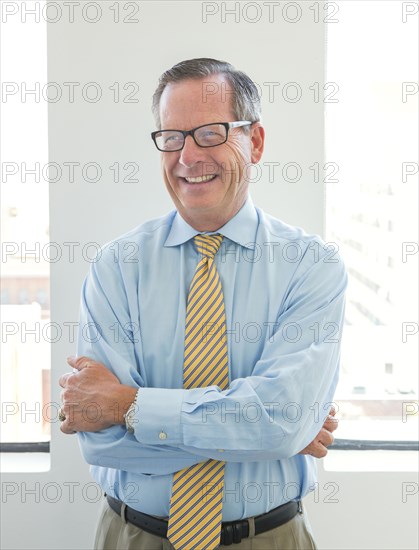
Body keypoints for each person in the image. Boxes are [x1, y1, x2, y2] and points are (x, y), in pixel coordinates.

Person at [59, 58, 347, 550]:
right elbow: (102, 440)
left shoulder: (312, 265)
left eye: (210, 133)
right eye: (171, 137)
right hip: (133, 536)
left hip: (268, 538)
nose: (187, 156)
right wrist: (262, 431)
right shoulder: (116, 265)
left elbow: (280, 422)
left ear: (254, 142)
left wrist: (127, 405)